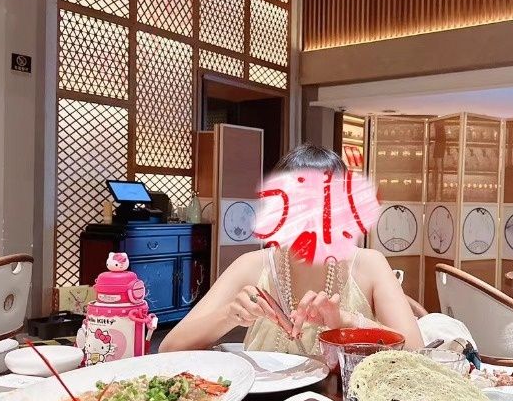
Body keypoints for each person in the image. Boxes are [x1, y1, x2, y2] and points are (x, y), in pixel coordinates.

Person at [160, 143, 423, 354]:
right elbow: (169, 347)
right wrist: (229, 315)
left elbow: (415, 351)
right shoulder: (252, 265)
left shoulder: (369, 264)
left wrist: (348, 321)